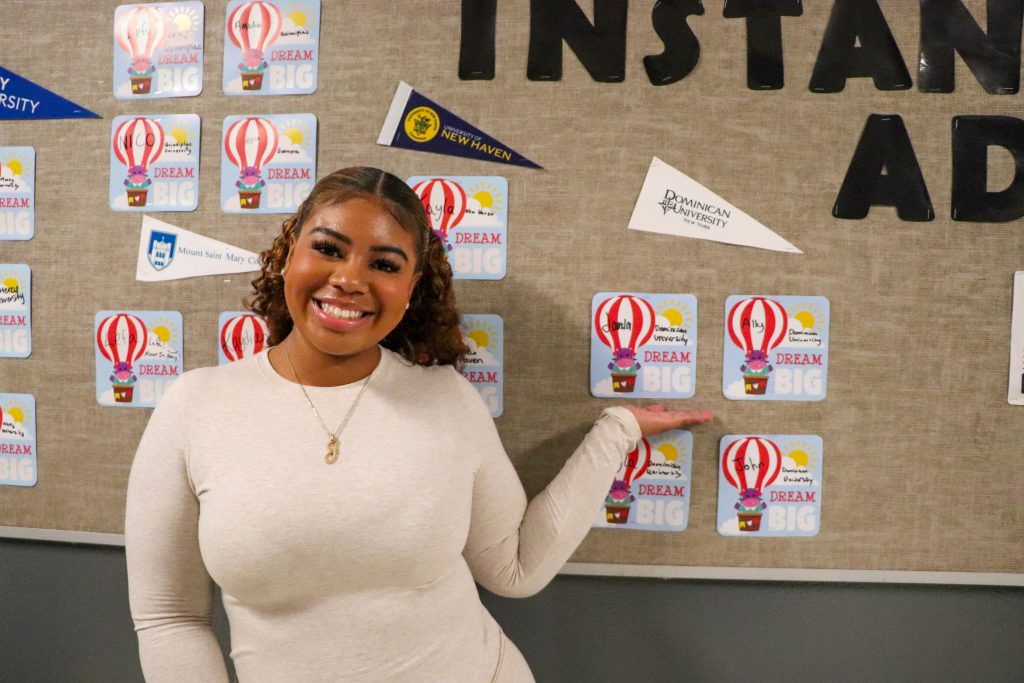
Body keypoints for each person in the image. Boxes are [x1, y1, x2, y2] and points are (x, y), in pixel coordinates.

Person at [125, 167, 713, 682]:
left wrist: (618, 431)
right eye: (329, 248)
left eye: (383, 263)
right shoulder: (195, 406)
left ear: (410, 290)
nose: (350, 278)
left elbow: (516, 568)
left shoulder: (446, 400)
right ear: (287, 256)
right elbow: (169, 618)